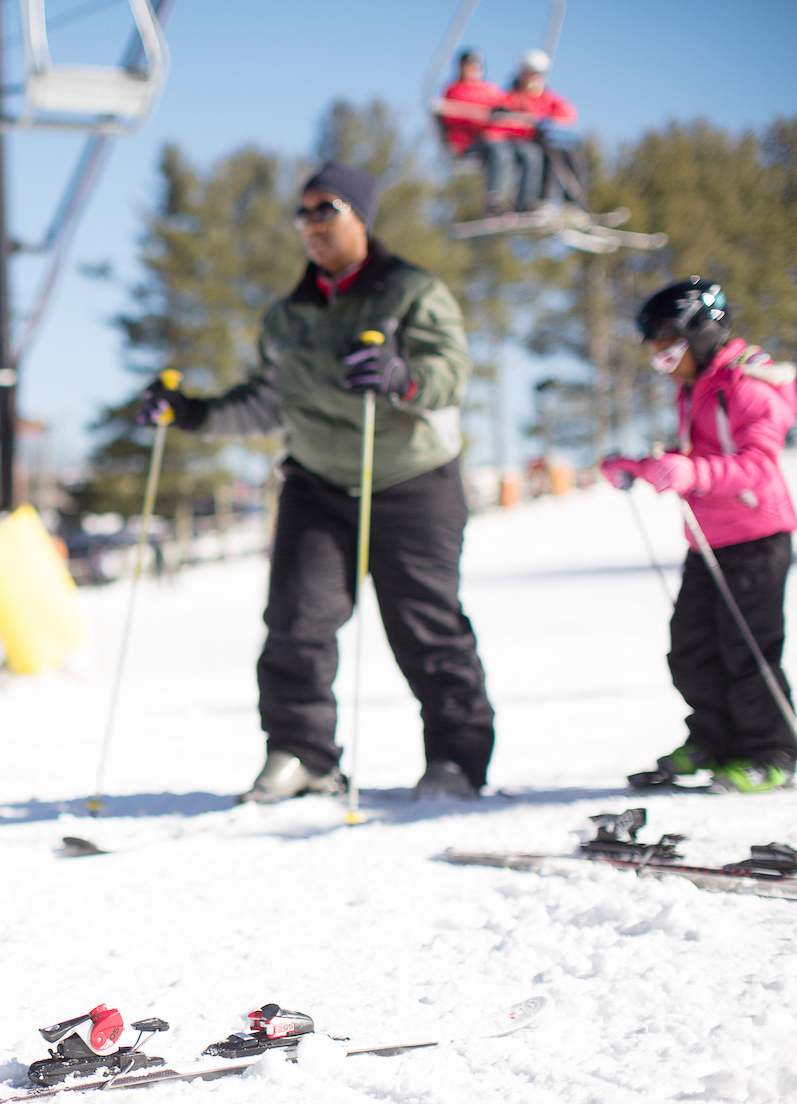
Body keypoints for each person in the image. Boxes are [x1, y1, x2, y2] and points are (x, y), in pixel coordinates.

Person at [142, 163, 496, 803]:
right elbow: (268, 401)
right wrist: (190, 413)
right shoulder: (287, 317)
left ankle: (456, 759)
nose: (310, 224)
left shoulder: (412, 292)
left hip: (409, 479)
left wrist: (399, 376)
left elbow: (449, 376)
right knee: (297, 622)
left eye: (324, 208)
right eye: (301, 213)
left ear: (361, 216)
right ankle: (302, 756)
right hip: (319, 483)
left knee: (426, 627)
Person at [602, 278, 797, 793]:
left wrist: (693, 476)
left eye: (671, 355)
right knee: (690, 648)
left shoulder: (750, 387)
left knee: (747, 649)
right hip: (707, 542)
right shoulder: (697, 391)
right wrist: (638, 467)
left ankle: (771, 752)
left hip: (758, 538)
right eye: (658, 359)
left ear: (703, 335)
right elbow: (690, 462)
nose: (666, 367)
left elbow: (757, 464)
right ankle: (713, 740)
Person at [434, 49, 536, 217]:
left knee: (530, 153)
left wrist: (521, 118)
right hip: (469, 143)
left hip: (496, 138)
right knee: (500, 151)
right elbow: (463, 117)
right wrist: (490, 119)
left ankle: (527, 202)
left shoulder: (490, 90)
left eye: (475, 65)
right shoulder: (454, 90)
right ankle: (494, 202)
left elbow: (508, 111)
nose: (472, 69)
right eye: (468, 65)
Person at [487, 49, 582, 209]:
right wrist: (524, 124)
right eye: (531, 74)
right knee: (538, 155)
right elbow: (501, 120)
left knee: (568, 150)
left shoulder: (546, 97)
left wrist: (549, 121)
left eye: (538, 74)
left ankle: (574, 202)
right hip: (523, 141)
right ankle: (534, 201)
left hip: (545, 140)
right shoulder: (512, 96)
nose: (535, 78)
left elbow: (568, 112)